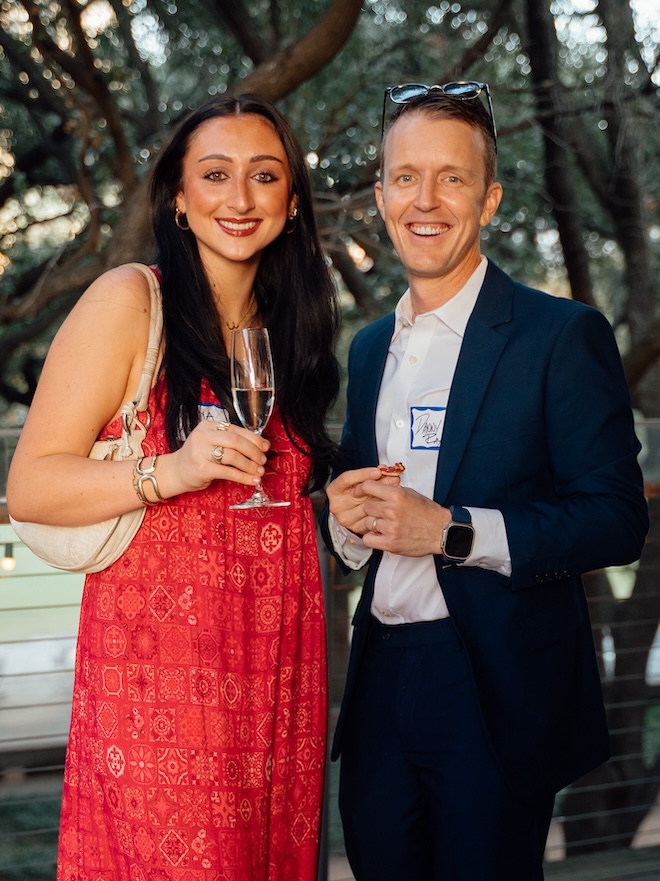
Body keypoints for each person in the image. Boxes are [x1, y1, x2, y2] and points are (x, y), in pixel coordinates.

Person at [320, 82, 648, 881]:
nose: (424, 200)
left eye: (452, 177)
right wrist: (343, 521)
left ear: (490, 198)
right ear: (381, 194)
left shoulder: (561, 335)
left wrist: (452, 531)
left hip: (496, 686)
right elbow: (366, 503)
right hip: (381, 681)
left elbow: (614, 518)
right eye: (405, 177)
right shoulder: (367, 350)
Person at [8, 93, 339, 881]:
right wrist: (170, 472)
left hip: (276, 686)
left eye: (265, 176)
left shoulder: (290, 326)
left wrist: (340, 499)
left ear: (291, 203)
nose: (240, 197)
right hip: (161, 696)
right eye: (215, 174)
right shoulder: (130, 301)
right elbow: (30, 487)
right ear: (179, 200)